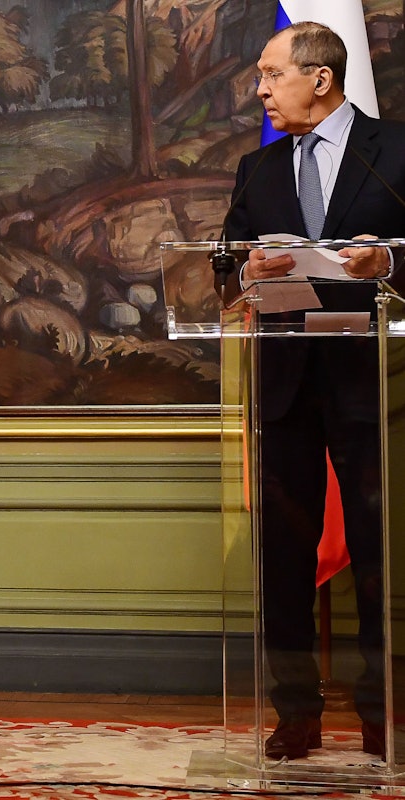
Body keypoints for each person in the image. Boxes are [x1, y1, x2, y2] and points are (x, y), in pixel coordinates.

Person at [223, 21, 405, 761]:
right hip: (285, 384)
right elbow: (220, 261)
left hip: (373, 385)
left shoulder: (396, 152)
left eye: (271, 74)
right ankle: (293, 713)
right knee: (284, 561)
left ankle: (378, 717)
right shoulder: (255, 170)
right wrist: (244, 276)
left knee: (374, 558)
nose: (260, 90)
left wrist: (387, 268)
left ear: (320, 77)